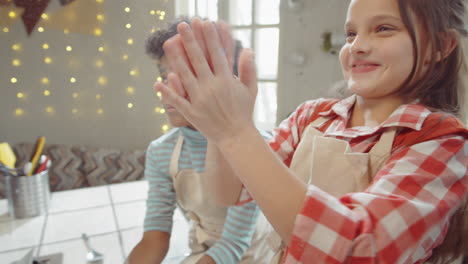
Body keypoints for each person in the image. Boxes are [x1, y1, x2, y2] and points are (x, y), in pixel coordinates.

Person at [155, 0, 468, 263]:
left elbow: (359, 249)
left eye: (384, 28)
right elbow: (230, 193)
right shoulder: (311, 116)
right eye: (350, 33)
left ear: (441, 45)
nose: (357, 46)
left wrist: (237, 133)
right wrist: (218, 130)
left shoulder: (442, 142)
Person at [126, 17, 272, 264]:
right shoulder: (161, 152)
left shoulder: (259, 148)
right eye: (164, 77)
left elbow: (235, 242)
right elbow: (155, 236)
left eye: (183, 78)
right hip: (204, 252)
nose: (166, 90)